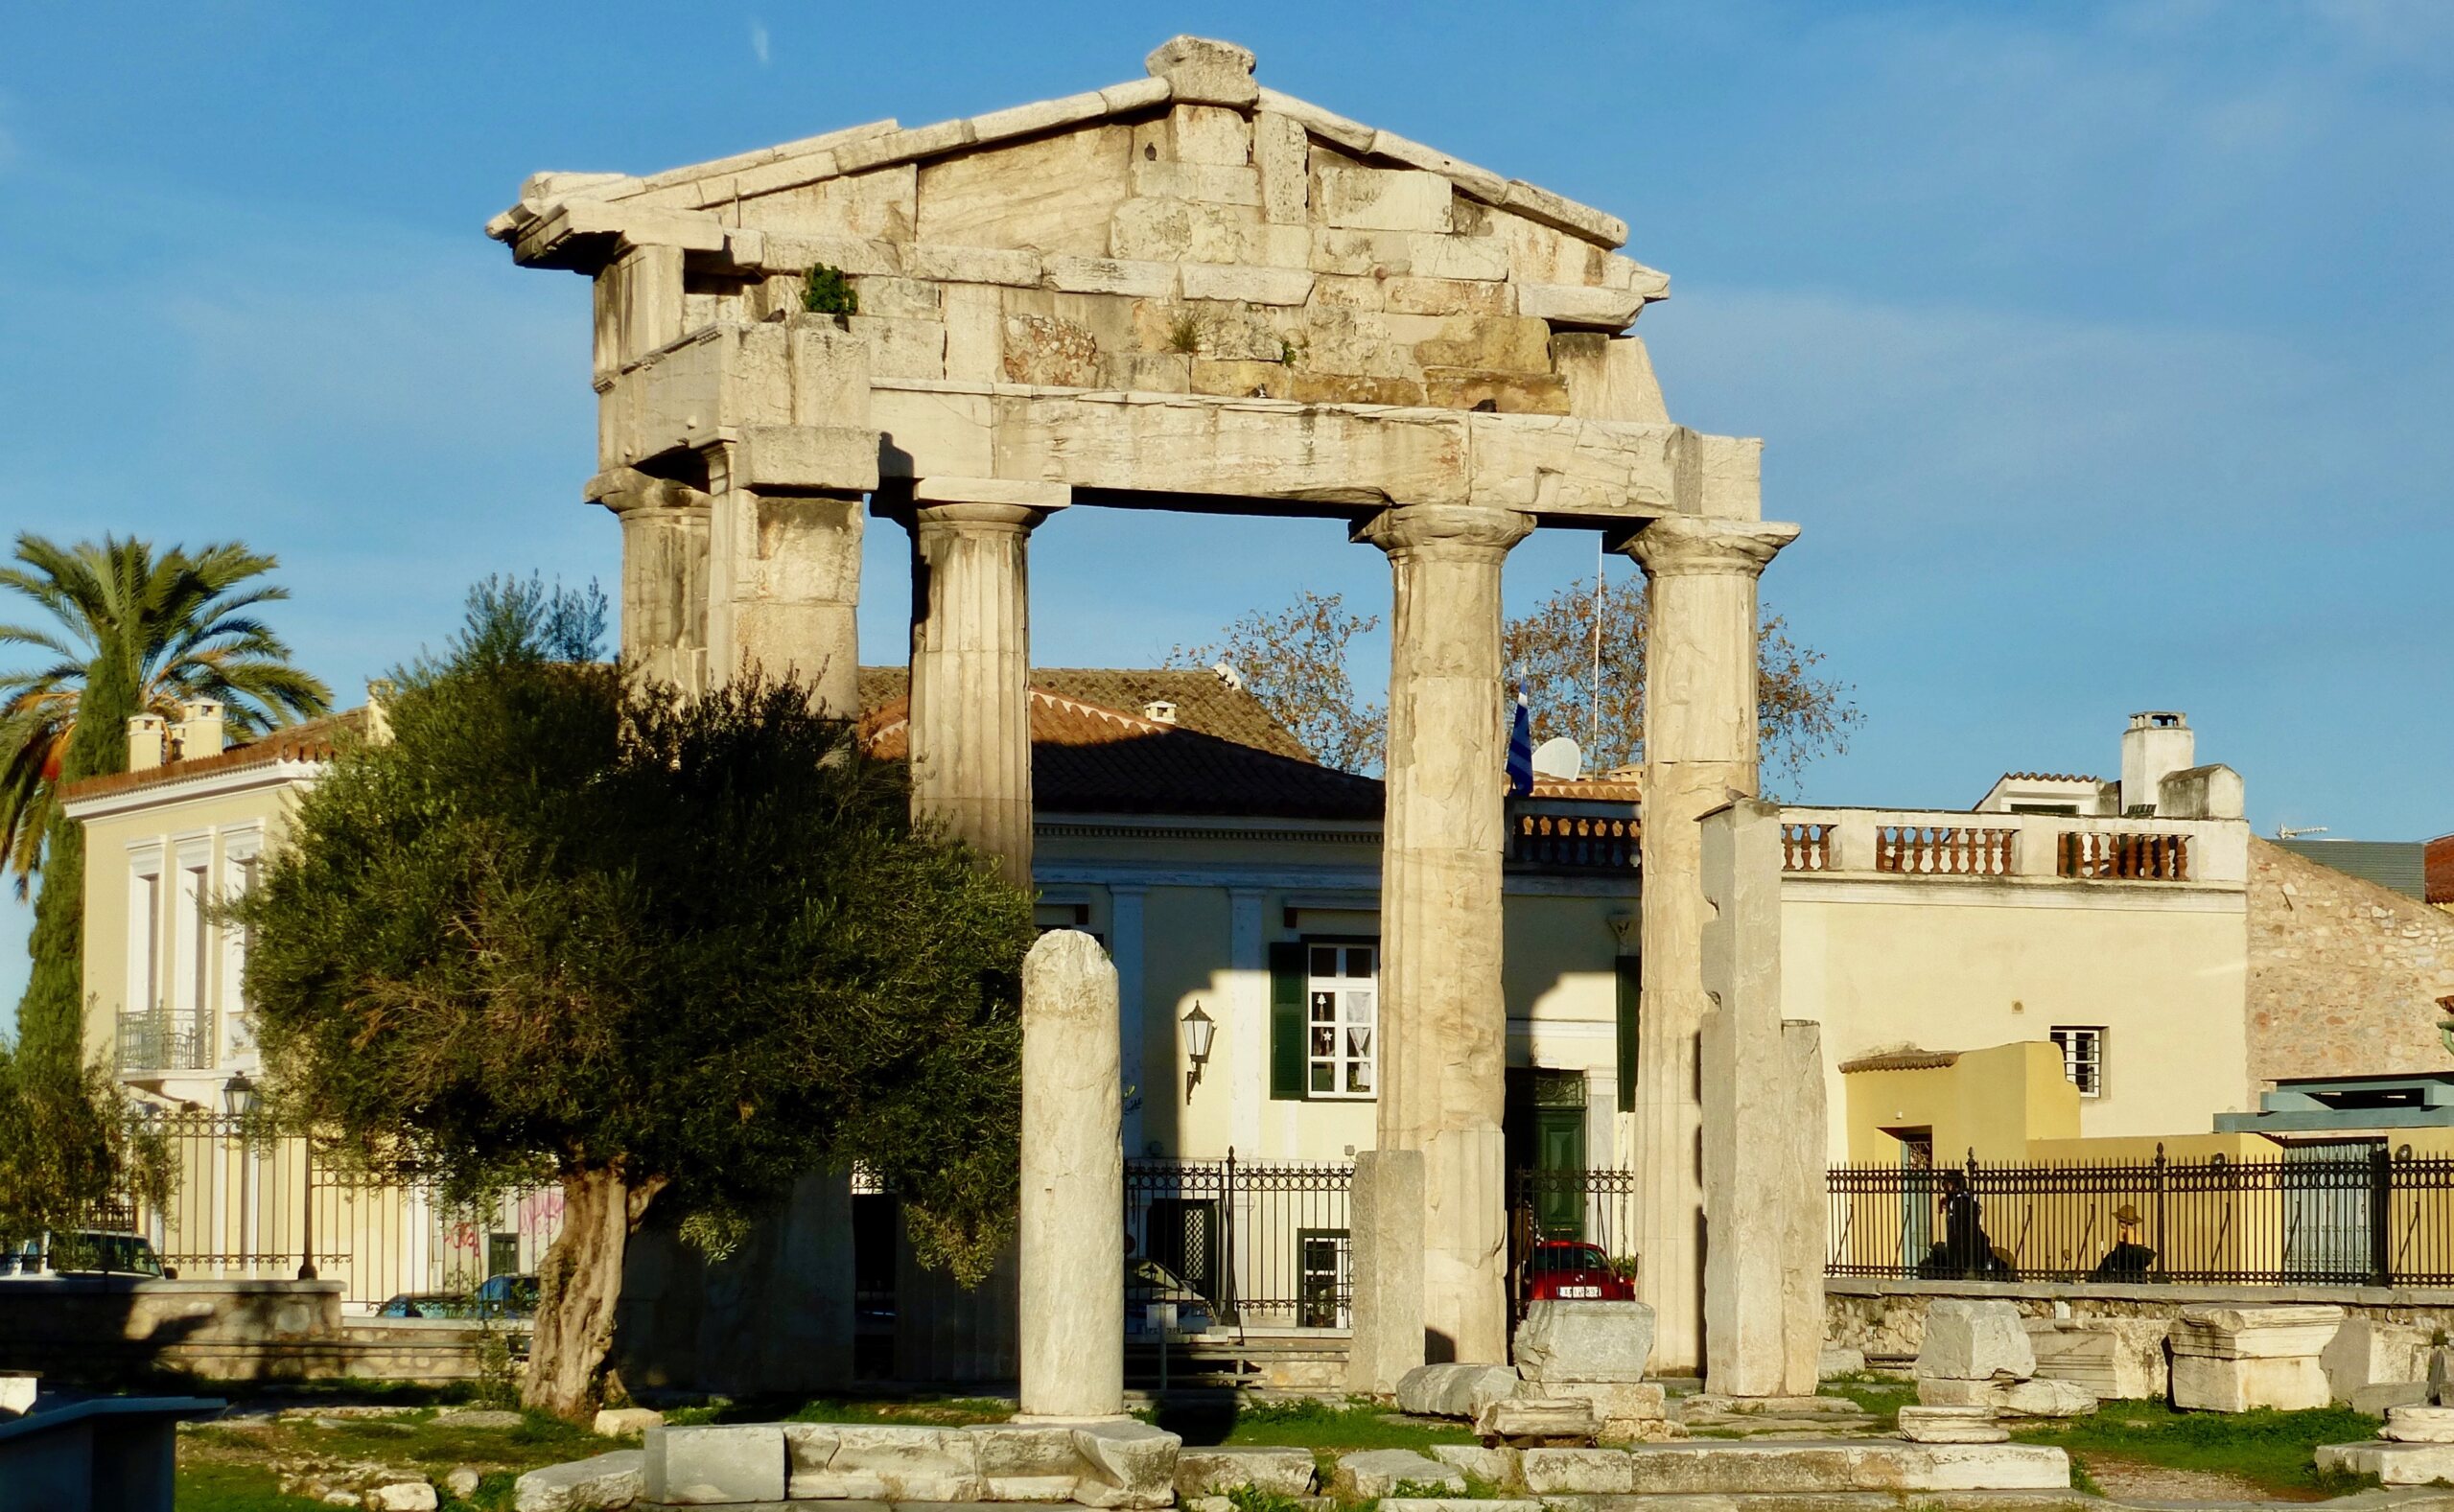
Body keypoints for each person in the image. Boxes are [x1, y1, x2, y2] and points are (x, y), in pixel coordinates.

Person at [2091, 1203, 2157, 1282]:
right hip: (2138, 1275)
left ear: (2122, 1221)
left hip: (2124, 1275)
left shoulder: (2123, 1234)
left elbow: (2118, 1254)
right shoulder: (2137, 1235)